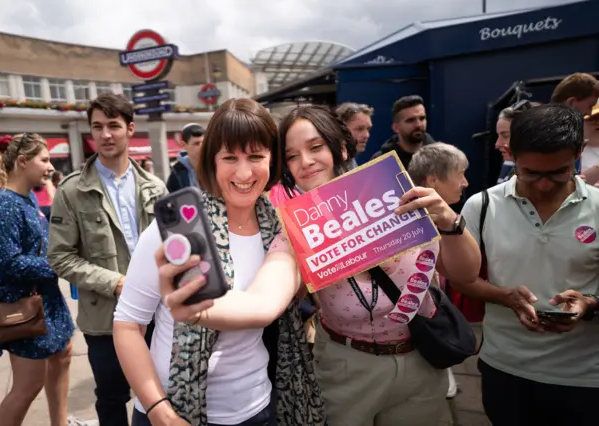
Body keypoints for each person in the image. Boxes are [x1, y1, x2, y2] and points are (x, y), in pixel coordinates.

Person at [161, 106, 481, 426]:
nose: (306, 162)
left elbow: (465, 274)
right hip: (344, 368)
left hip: (422, 361)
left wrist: (451, 222)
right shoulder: (296, 228)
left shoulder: (399, 193)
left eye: (316, 147)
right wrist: (200, 308)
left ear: (341, 147)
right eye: (292, 156)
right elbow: (264, 301)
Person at [113, 98, 325, 426]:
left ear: (273, 160)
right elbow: (128, 324)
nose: (243, 172)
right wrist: (158, 409)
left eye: (256, 156)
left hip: (259, 408)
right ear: (212, 161)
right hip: (173, 412)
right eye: (230, 157)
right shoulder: (177, 231)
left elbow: (267, 304)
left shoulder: (282, 230)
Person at [453, 104, 599, 425]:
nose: (544, 185)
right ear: (511, 154)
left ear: (579, 152)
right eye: (530, 172)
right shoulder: (482, 206)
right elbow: (461, 280)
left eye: (560, 171)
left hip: (585, 378)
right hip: (505, 369)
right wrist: (505, 296)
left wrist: (589, 304)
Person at [48, 93, 167, 426]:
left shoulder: (155, 188)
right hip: (104, 320)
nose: (105, 134)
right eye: (97, 127)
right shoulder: (71, 191)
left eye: (113, 126)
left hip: (158, 315)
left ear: (130, 129)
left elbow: (174, 246)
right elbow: (60, 256)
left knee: (161, 394)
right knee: (112, 397)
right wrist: (114, 283)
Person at [0, 134, 87, 426]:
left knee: (63, 355)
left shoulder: (26, 196)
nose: (49, 167)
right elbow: (8, 263)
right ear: (22, 162)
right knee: (28, 386)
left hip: (44, 298)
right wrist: (58, 265)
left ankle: (61, 423)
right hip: (22, 305)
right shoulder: (2, 203)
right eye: (44, 160)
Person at [408, 142, 469, 399]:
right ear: (433, 180)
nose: (465, 182)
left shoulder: (443, 218)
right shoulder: (419, 222)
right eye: (460, 174)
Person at [371, 95, 436, 168]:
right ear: (396, 128)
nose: (418, 124)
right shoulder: (380, 162)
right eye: (410, 120)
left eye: (422, 118)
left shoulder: (442, 158)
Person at [166, 123, 204, 193]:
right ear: (184, 145)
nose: (202, 147)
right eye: (196, 143)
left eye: (204, 143)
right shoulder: (176, 173)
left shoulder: (215, 166)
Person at [335, 102, 373, 168]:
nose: (367, 135)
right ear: (341, 129)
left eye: (368, 129)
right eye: (359, 129)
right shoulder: (331, 166)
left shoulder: (351, 160)